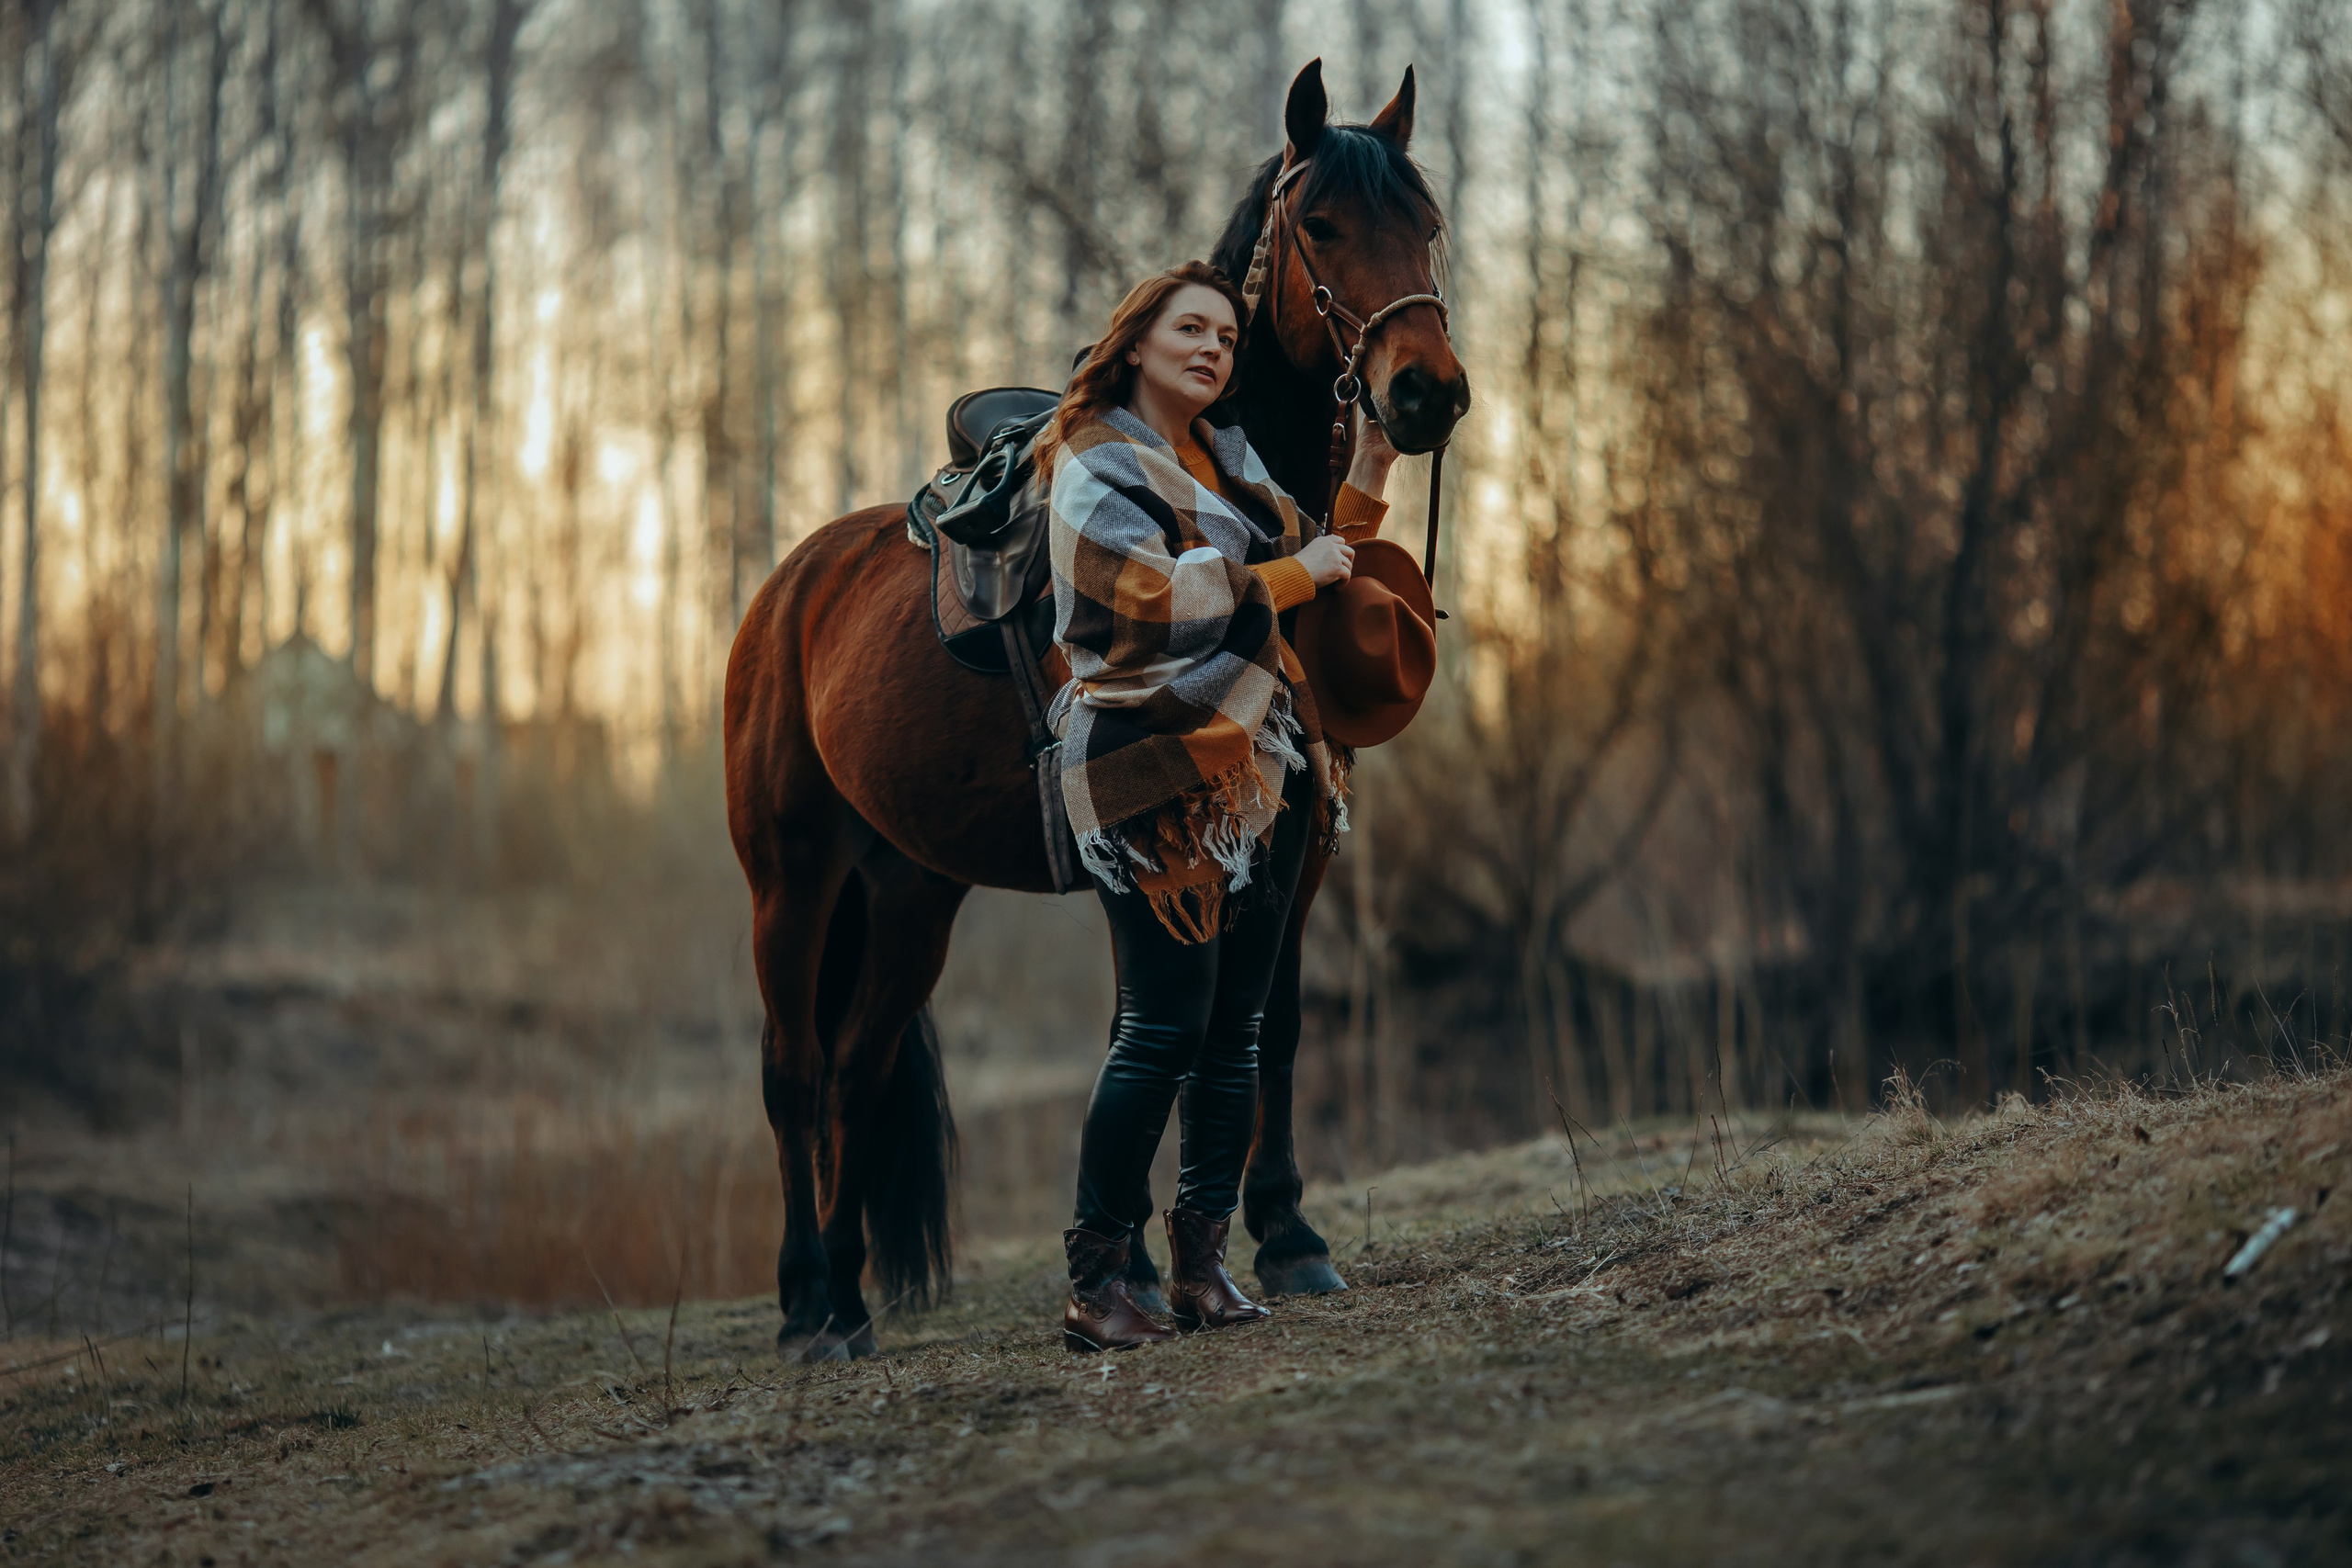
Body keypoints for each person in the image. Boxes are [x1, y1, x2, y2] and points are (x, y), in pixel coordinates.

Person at [1041, 261, 1396, 1351]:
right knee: (1159, 1028)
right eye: (1189, 329)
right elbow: (1148, 600)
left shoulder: (1230, 460)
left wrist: (1374, 457)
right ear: (1135, 342)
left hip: (1260, 762)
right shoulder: (1094, 460)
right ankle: (1100, 1276)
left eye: (1227, 340)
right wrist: (1292, 579)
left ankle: (1202, 1264)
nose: (1212, 350)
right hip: (1152, 767)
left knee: (1236, 1030)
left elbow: (1320, 547)